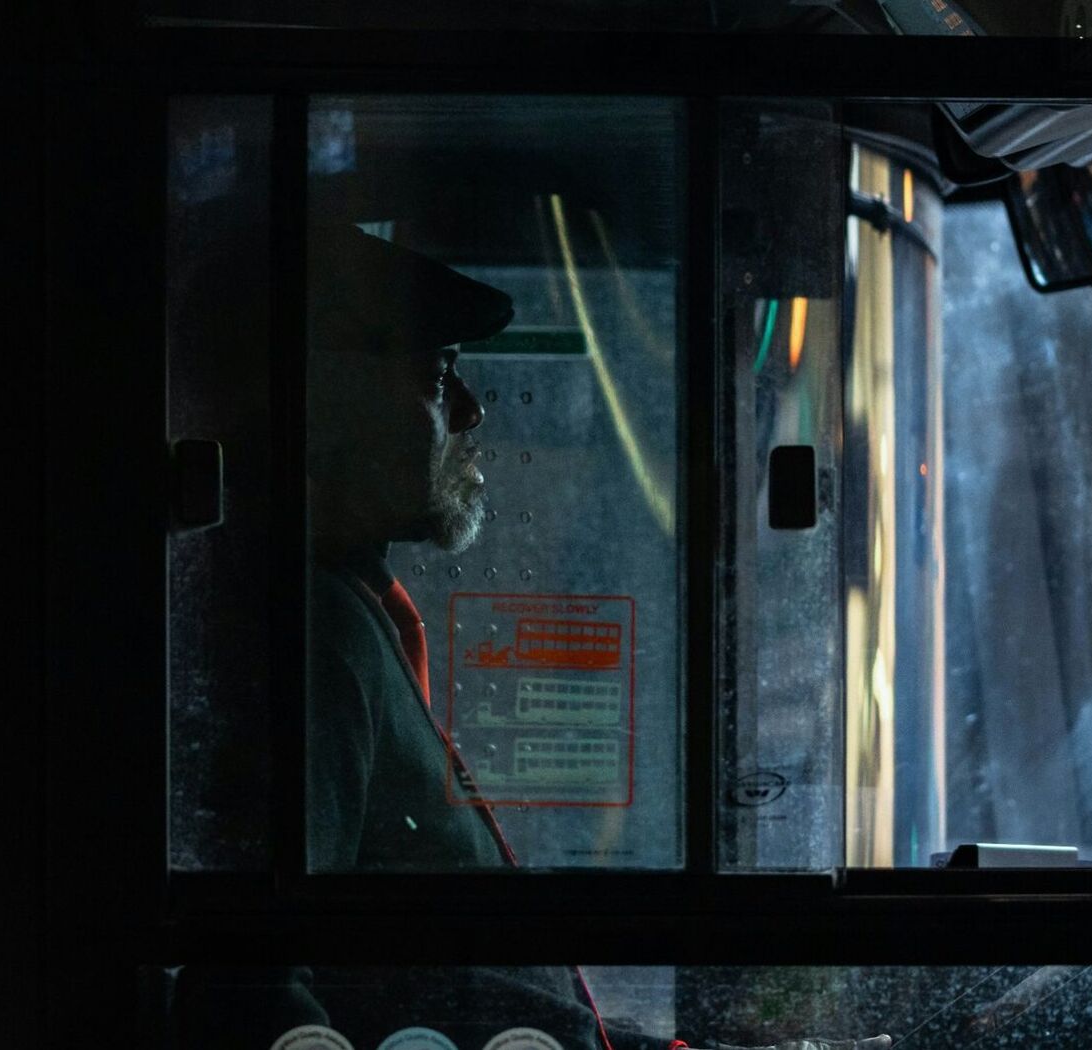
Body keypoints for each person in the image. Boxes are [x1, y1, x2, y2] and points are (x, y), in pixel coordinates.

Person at [175, 225, 890, 1050]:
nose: (473, 409)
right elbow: (255, 992)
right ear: (321, 396)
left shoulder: (341, 611)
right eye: (439, 374)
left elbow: (456, 997)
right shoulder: (313, 636)